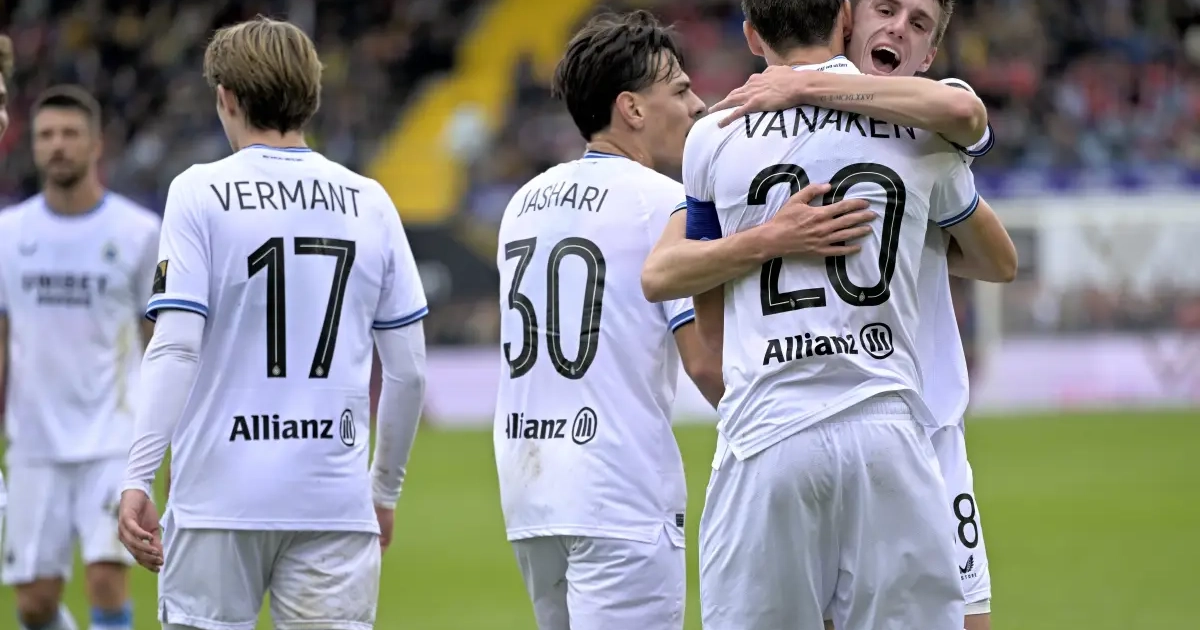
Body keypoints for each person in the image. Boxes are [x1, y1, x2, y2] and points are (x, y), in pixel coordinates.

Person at [642, 1, 1009, 628]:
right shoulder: (926, 139)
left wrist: (802, 88)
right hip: (893, 423)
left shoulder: (720, 131)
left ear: (751, 36)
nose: (897, 27)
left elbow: (693, 308)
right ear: (845, 17)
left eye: (918, 23)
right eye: (885, 9)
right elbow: (999, 259)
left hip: (783, 425)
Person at [491, 11, 860, 630]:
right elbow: (706, 363)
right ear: (632, 109)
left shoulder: (523, 203)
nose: (698, 105)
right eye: (681, 90)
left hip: (531, 492)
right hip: (619, 494)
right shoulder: (662, 202)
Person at [115, 17, 428, 630]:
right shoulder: (370, 200)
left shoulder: (199, 191)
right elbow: (409, 371)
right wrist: (383, 492)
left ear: (226, 98)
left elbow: (175, 347)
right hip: (332, 501)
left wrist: (138, 475)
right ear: (311, 96)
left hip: (219, 498)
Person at [0, 85, 160, 630]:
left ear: (96, 145)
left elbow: (158, 340)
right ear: (33, 145)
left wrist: (165, 433)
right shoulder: (9, 233)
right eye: (46, 135)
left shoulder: (139, 233)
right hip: (34, 442)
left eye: (70, 133)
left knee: (106, 580)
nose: (58, 145)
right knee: (34, 603)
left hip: (112, 439)